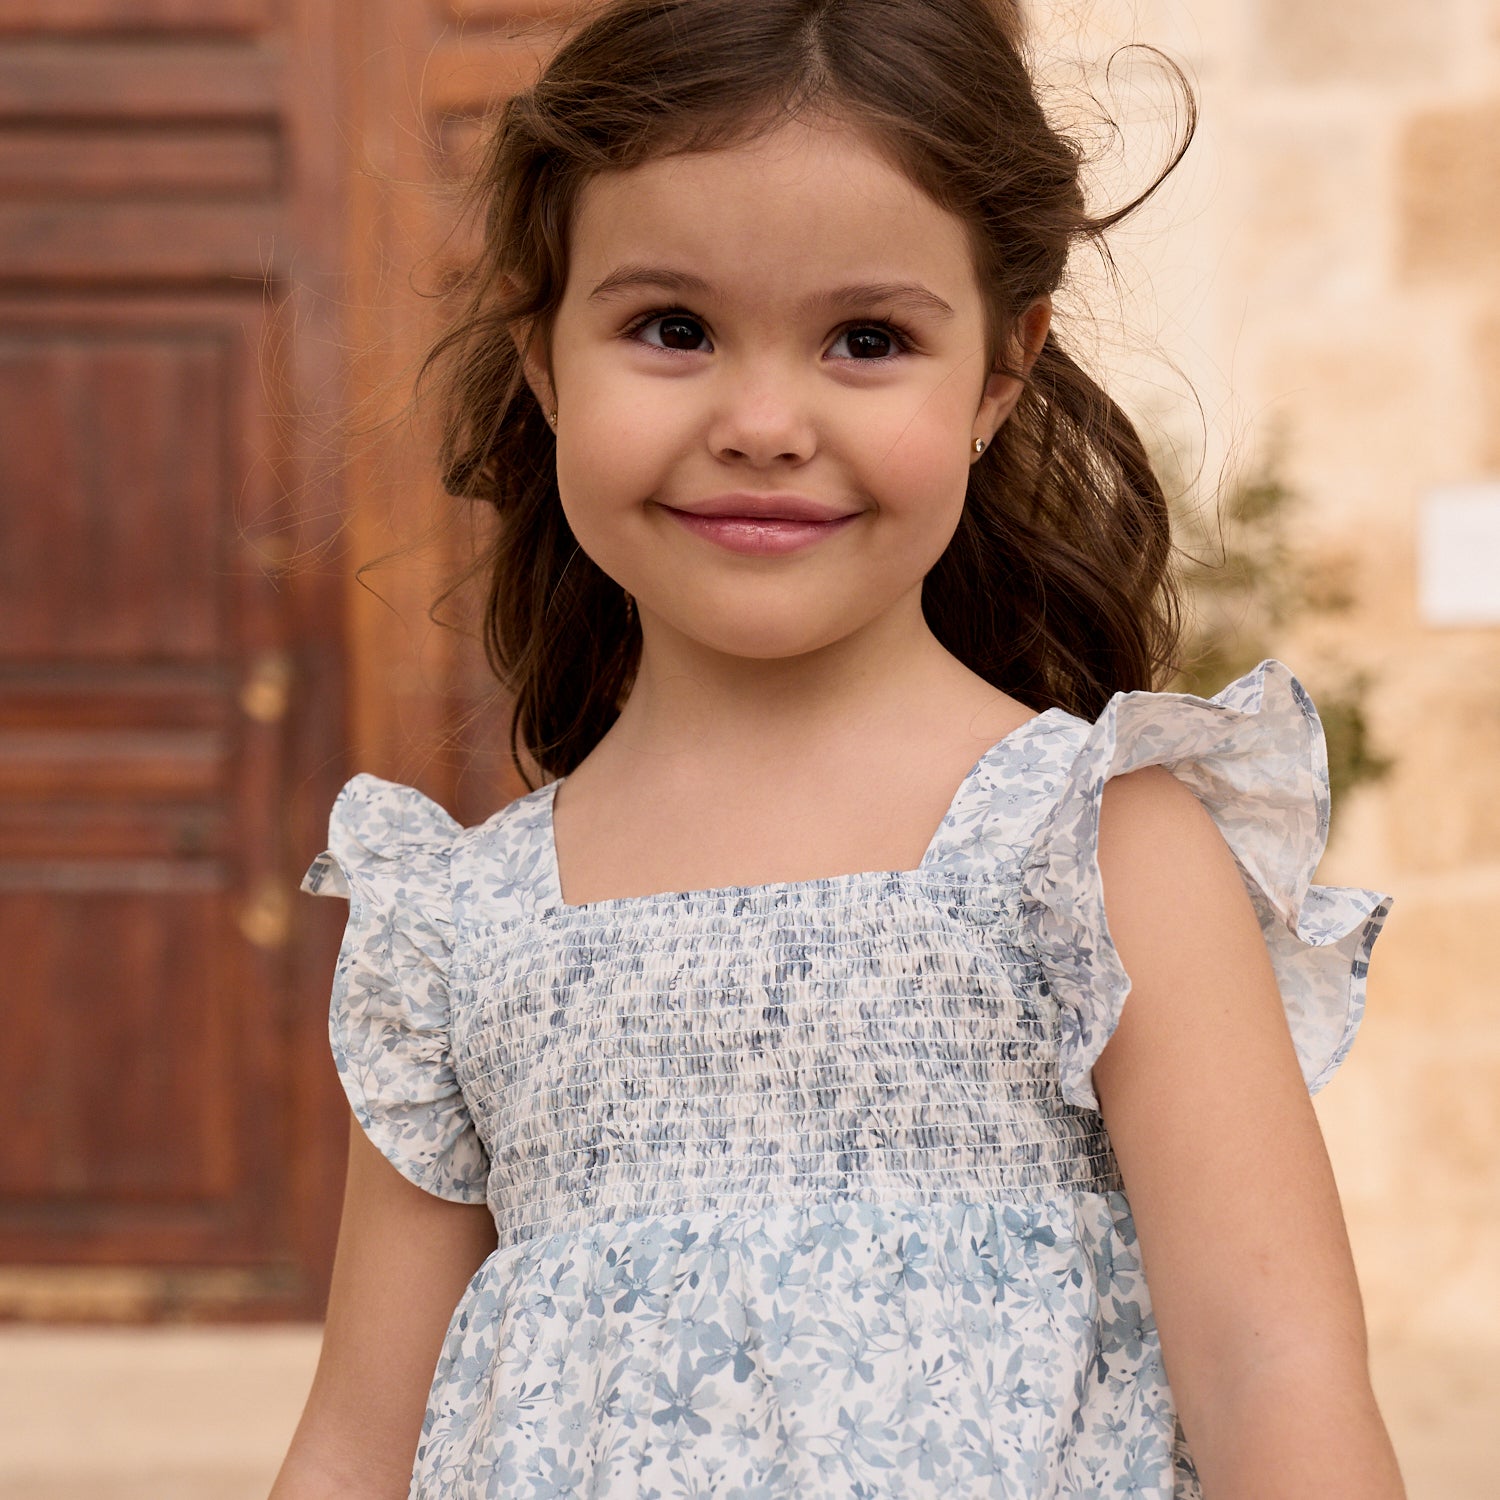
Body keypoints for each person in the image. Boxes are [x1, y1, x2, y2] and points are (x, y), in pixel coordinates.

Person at [271, 1, 1406, 1496]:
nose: (762, 419)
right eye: (671, 329)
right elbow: (359, 1441)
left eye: (866, 339)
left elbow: (1278, 1374)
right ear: (543, 358)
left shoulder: (1095, 854)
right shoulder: (458, 933)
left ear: (1001, 372)